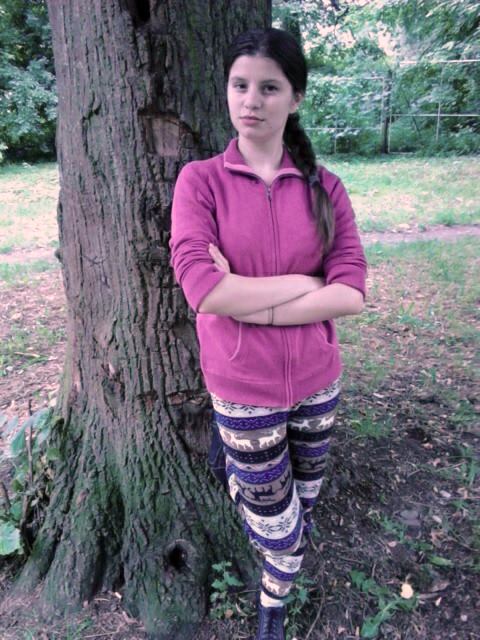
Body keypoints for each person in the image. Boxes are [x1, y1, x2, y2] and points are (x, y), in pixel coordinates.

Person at [169, 27, 367, 640]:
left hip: (317, 381)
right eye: (239, 85)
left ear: (296, 97)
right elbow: (204, 292)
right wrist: (306, 284)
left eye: (269, 88)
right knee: (279, 529)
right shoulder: (200, 181)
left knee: (306, 499)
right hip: (242, 383)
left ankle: (263, 541)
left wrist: (251, 299)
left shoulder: (326, 187)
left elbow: (352, 292)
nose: (250, 100)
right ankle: (273, 606)